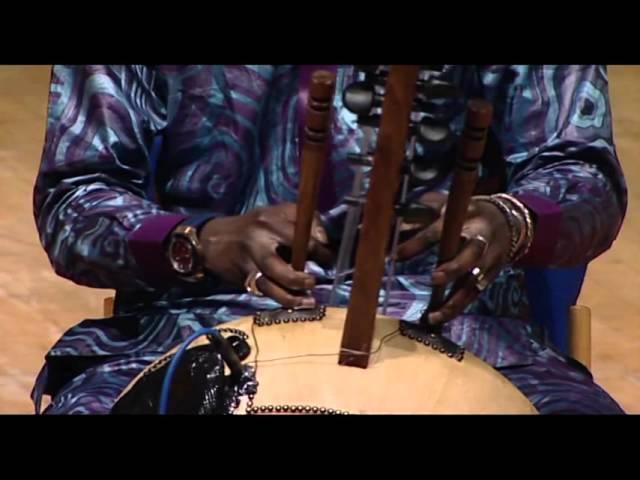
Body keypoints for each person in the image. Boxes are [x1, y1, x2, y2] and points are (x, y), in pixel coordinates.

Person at [31, 65, 627, 414]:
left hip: (460, 331)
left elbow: (585, 176)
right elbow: (74, 198)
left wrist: (506, 219)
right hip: (194, 326)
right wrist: (200, 241)